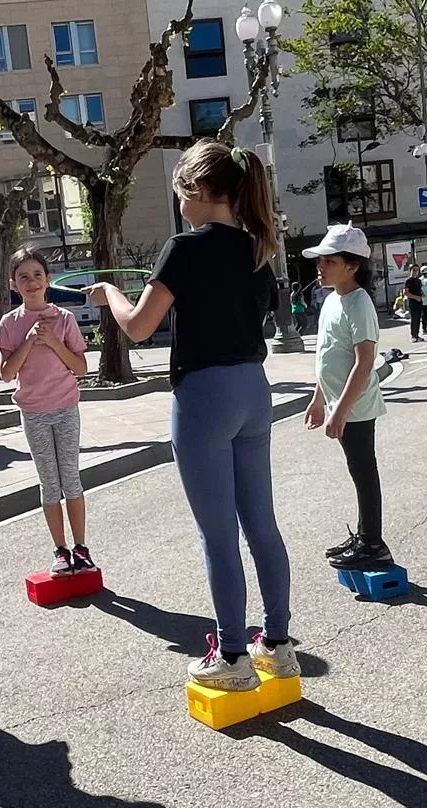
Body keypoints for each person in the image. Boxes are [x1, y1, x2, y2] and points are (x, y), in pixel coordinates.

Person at [83, 142, 296, 693]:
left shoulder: (183, 248)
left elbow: (137, 326)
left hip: (204, 395)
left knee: (217, 534)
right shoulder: (257, 249)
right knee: (261, 524)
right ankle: (277, 644)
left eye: (180, 192)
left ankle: (231, 655)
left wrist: (110, 294)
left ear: (197, 191)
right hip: (254, 389)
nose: (179, 204)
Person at [0, 248, 95, 576]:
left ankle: (81, 548)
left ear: (48, 279)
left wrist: (53, 341)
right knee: (49, 483)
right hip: (34, 413)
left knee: (71, 479)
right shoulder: (10, 323)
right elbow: (7, 374)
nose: (31, 282)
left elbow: (80, 368)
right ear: (14, 284)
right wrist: (27, 341)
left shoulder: (64, 319)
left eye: (37, 275)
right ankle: (60, 550)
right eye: (23, 277)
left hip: (66, 408)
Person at [299, 224, 392, 571]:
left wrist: (341, 411)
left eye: (329, 262)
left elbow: (364, 361)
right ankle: (366, 536)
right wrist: (318, 399)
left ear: (352, 265)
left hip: (356, 406)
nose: (320, 268)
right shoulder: (332, 300)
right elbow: (328, 355)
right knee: (359, 470)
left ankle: (372, 543)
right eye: (320, 262)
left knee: (364, 471)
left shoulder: (359, 302)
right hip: (340, 403)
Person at [405, 268, 427, 342]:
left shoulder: (418, 281)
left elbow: (420, 290)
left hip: (419, 302)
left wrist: (422, 294)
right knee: (414, 319)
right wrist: (416, 297)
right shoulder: (408, 281)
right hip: (412, 302)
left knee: (418, 319)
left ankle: (417, 335)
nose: (415, 272)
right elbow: (406, 293)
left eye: (417, 270)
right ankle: (413, 335)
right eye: (414, 270)